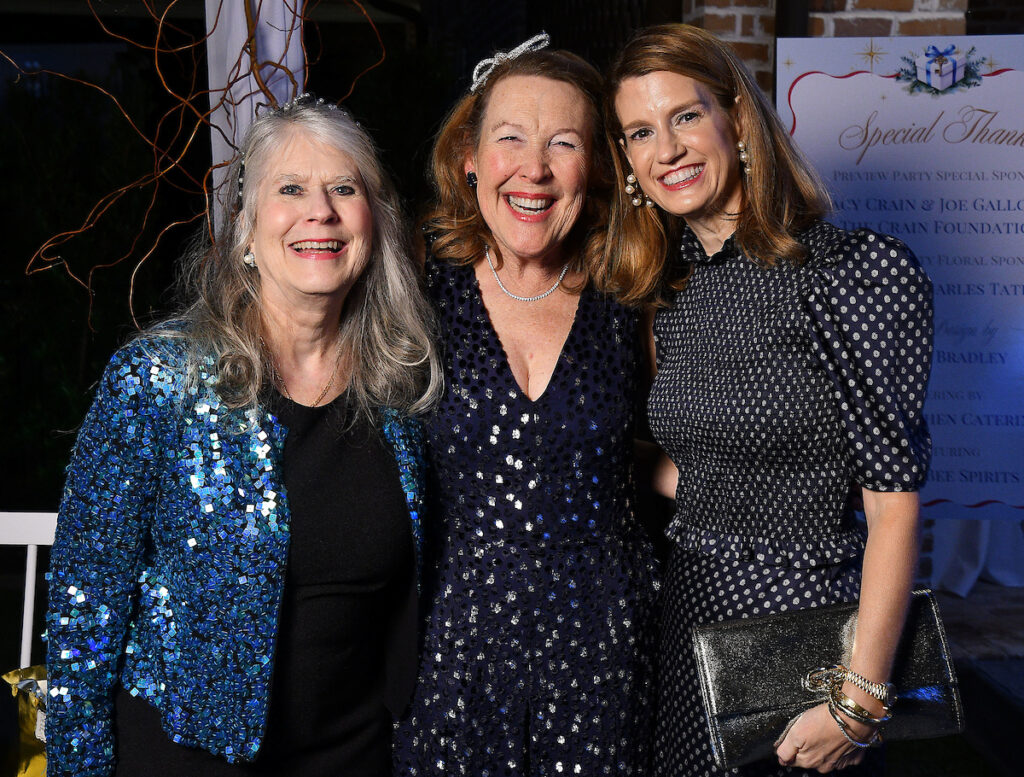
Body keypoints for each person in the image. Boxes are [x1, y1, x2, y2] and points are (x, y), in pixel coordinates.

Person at [45, 95, 441, 777]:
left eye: (343, 188)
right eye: (290, 188)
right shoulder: (157, 380)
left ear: (373, 224)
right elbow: (85, 612)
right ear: (248, 233)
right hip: (183, 757)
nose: (320, 209)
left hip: (357, 757)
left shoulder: (402, 390)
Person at [603, 24, 933, 777]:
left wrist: (859, 699)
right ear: (627, 162)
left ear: (736, 119)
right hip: (687, 629)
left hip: (806, 637)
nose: (669, 150)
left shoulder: (854, 273)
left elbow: (894, 507)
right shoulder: (668, 294)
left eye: (687, 116)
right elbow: (694, 470)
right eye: (641, 132)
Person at [393, 35, 658, 776]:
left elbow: (677, 450)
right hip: (453, 655)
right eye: (510, 138)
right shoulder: (417, 292)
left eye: (563, 143)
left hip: (606, 653)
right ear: (470, 156)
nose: (533, 169)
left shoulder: (633, 296)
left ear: (598, 168)